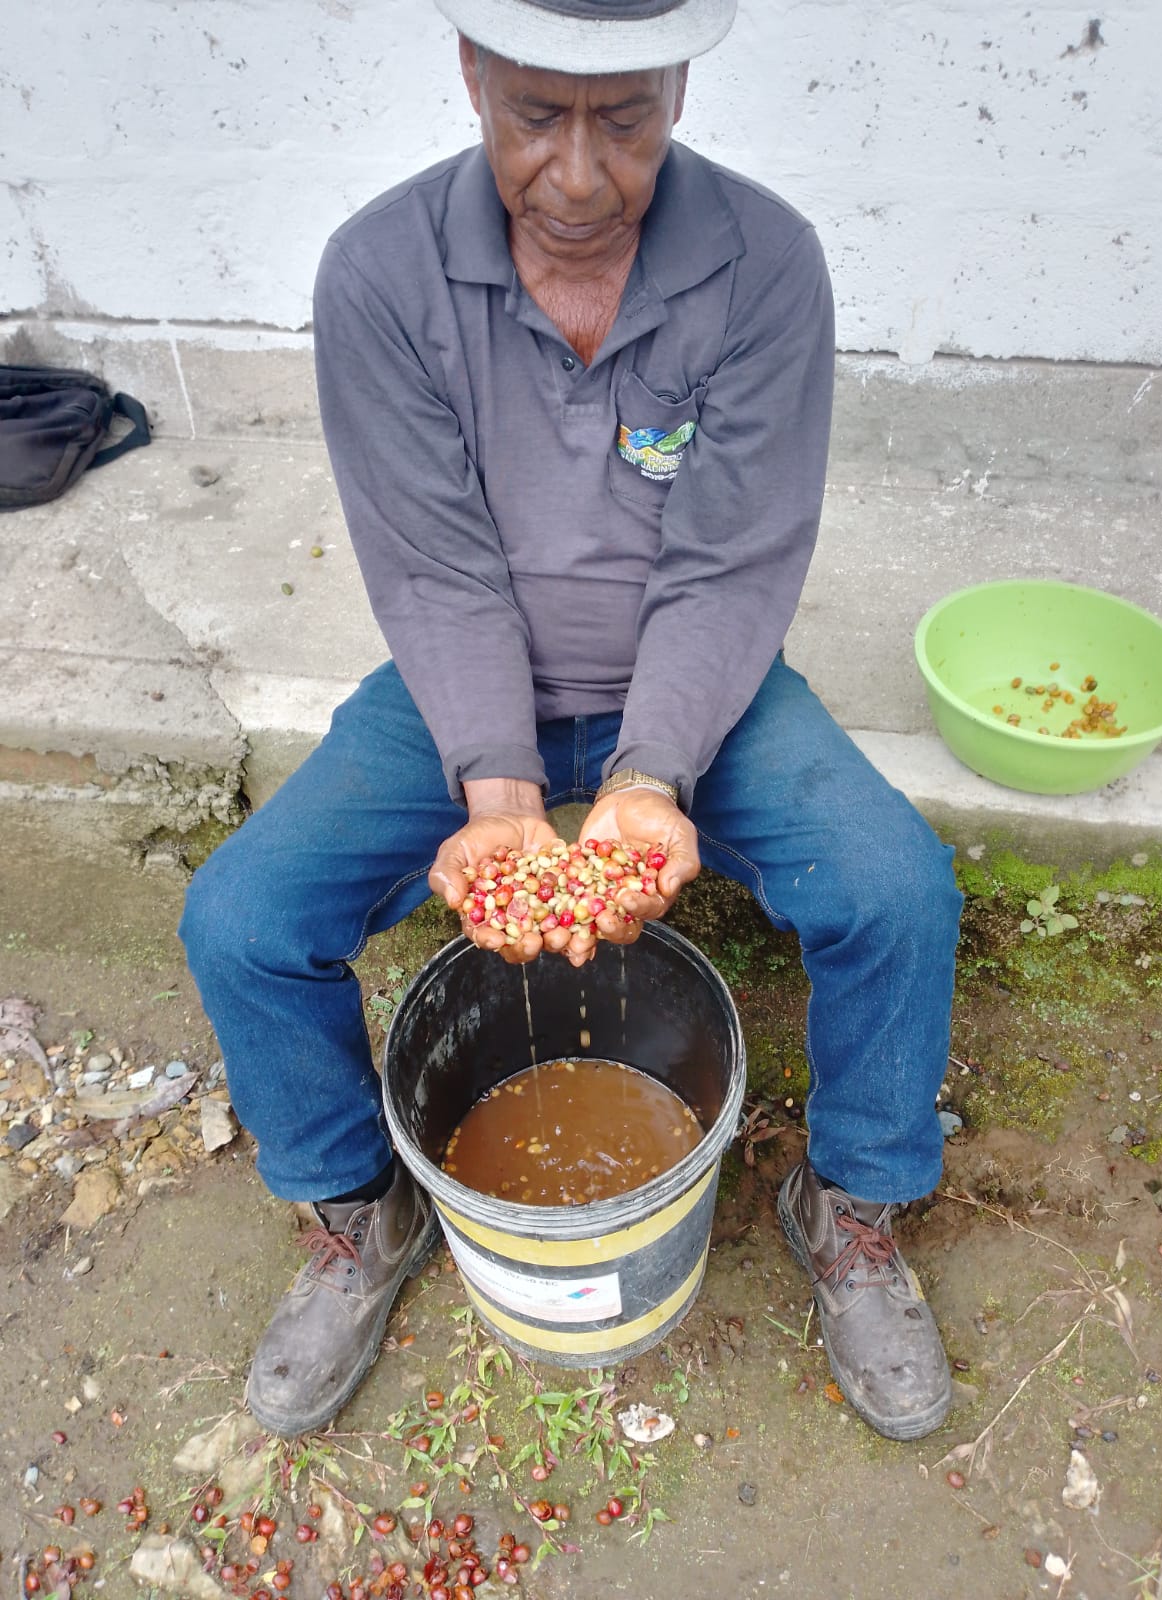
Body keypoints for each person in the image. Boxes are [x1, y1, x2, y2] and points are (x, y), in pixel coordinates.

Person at [180, 0, 963, 1444]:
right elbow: (434, 567)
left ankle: (853, 1198)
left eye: (627, 119)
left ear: (679, 86)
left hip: (699, 691)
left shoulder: (766, 261)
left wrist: (654, 770)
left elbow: (730, 561)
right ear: (473, 73)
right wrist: (497, 787)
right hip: (465, 694)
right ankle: (358, 1207)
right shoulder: (381, 273)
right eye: (539, 117)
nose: (584, 175)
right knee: (240, 920)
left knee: (897, 889)